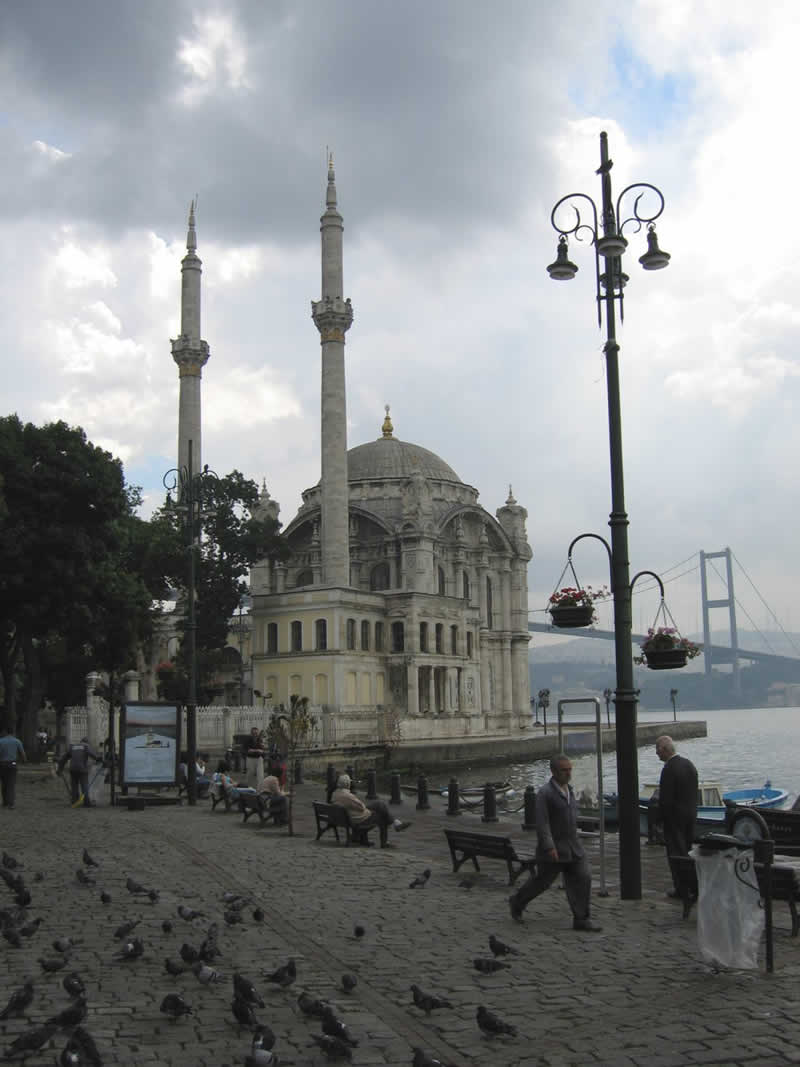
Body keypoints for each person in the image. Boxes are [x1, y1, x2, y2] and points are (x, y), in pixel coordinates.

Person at [508, 754, 601, 931]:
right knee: (542, 882)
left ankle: (581, 919)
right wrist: (549, 846)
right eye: (564, 770)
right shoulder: (545, 794)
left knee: (583, 877)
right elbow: (543, 824)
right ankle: (517, 902)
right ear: (553, 771)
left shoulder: (570, 790)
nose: (568, 773)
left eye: (570, 769)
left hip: (574, 847)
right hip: (554, 848)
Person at [655, 734, 698, 899]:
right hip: (690, 817)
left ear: (664, 750)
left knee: (675, 855)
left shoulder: (669, 769)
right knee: (687, 852)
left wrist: (658, 820)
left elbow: (665, 800)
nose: (657, 754)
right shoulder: (689, 765)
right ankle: (691, 886)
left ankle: (681, 888)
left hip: (674, 819)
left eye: (657, 750)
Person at [331, 774, 411, 848]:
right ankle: (386, 841)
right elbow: (361, 807)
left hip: (350, 816)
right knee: (382, 816)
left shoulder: (335, 793)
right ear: (348, 784)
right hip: (358, 818)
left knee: (379, 805)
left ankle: (396, 823)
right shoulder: (347, 796)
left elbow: (356, 807)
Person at [58, 736, 101, 808]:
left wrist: (60, 769)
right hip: (82, 769)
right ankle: (86, 802)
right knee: (84, 785)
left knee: (74, 785)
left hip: (72, 769)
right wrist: (99, 759)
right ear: (87, 742)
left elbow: (64, 758)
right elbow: (93, 755)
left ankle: (74, 800)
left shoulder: (73, 746)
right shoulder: (86, 746)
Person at [0, 723, 26, 809]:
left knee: (4, 783)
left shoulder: (1, 741)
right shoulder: (17, 741)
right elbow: (22, 753)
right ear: (13, 732)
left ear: (5, 732)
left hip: (2, 764)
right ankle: (11, 803)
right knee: (11, 784)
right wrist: (24, 761)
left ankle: (5, 802)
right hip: (13, 764)